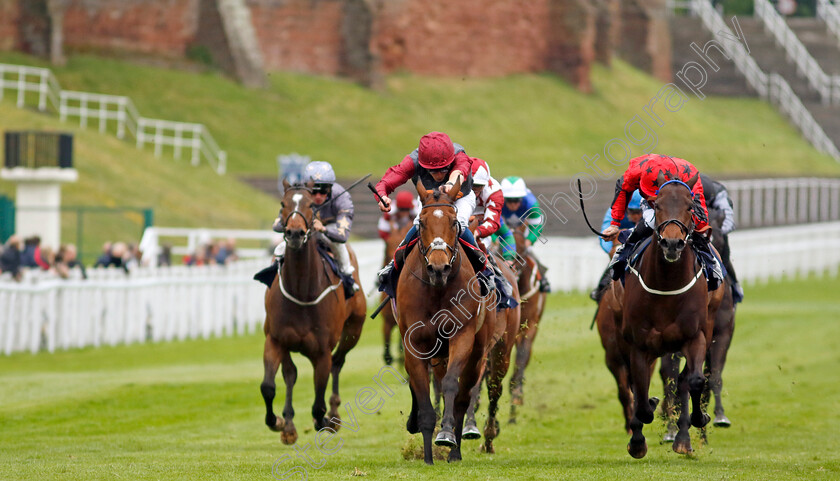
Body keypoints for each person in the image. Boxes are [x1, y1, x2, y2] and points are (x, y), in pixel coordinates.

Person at [373, 131, 488, 290]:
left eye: (444, 169)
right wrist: (381, 195)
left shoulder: (459, 155)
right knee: (419, 225)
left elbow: (460, 171)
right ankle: (394, 265)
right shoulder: (412, 161)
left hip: (461, 196)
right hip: (430, 199)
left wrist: (451, 183)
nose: (439, 174)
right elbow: (390, 178)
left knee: (458, 223)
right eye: (433, 171)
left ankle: (484, 268)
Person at [601, 154, 724, 290]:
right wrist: (615, 224)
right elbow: (623, 188)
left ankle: (711, 263)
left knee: (696, 226)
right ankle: (623, 252)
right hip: (657, 201)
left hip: (682, 199)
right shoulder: (636, 170)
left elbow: (701, 215)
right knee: (650, 222)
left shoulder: (690, 174)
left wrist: (699, 231)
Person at [272, 161, 359, 292]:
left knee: (339, 247)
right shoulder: (297, 195)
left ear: (330, 188)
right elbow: (278, 226)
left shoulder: (343, 198)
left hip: (330, 228)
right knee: (280, 248)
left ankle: (348, 277)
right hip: (306, 229)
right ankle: (274, 275)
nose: (318, 196)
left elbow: (342, 236)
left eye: (323, 191)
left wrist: (323, 229)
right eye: (314, 191)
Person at [499, 176, 551, 292]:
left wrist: (528, 242)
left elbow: (537, 225)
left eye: (516, 200)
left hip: (523, 229)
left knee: (529, 253)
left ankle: (542, 278)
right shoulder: (497, 201)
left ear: (522, 198)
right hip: (502, 228)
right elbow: (491, 221)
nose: (513, 204)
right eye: (509, 200)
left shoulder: (531, 203)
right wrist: (495, 239)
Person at [589, 190, 643, 301]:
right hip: (621, 249)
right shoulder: (614, 210)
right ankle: (601, 289)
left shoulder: (651, 211)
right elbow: (603, 235)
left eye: (639, 211)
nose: (636, 216)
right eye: (632, 211)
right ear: (626, 209)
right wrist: (614, 252)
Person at [700, 173, 743, 302]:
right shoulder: (686, 192)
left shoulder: (719, 193)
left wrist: (716, 232)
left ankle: (734, 285)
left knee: (723, 249)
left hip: (714, 229)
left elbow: (729, 222)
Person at [470, 158, 516, 264]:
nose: (474, 191)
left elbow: (506, 234)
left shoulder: (494, 192)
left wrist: (508, 259)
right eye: (471, 186)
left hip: (481, 240)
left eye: (478, 187)